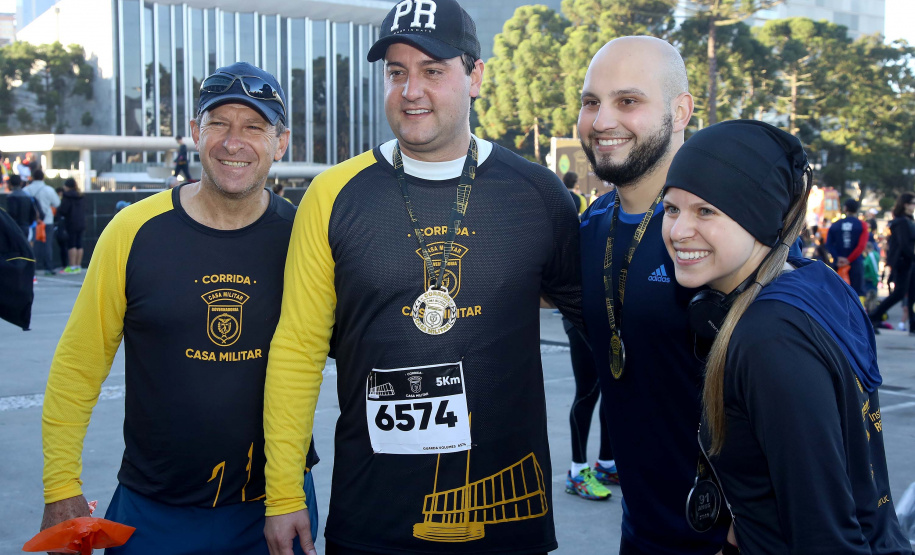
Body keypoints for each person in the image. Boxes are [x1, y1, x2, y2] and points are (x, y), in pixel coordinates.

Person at [262, 1, 582, 553]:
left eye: (433, 70)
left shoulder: (539, 195)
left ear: (475, 75)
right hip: (372, 517)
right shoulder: (332, 195)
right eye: (396, 72)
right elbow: (296, 350)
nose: (411, 90)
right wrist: (284, 492)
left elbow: (601, 327)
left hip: (505, 526)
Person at [40, 61, 319, 554]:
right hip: (152, 511)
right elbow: (78, 366)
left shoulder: (304, 238)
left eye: (254, 127)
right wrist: (61, 484)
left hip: (273, 506)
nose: (234, 143)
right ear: (195, 132)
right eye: (218, 124)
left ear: (281, 142)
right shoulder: (132, 233)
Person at [661, 118, 912, 554]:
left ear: (758, 215)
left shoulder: (767, 340)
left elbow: (824, 537)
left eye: (706, 211)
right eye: (671, 208)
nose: (679, 230)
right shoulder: (816, 281)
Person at [577, 36, 731, 553]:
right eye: (591, 102)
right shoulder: (593, 224)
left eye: (628, 101)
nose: (601, 122)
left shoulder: (726, 231)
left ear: (681, 110)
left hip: (727, 537)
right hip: (640, 529)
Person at [869, 193, 915, 336]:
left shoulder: (907, 220)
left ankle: (912, 324)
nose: (914, 206)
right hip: (903, 262)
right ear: (906, 204)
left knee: (911, 293)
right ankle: (873, 317)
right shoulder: (901, 222)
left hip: (908, 261)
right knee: (900, 293)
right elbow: (904, 245)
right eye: (913, 203)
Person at [826, 198, 869, 298]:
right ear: (857, 209)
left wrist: (837, 257)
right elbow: (861, 246)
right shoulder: (862, 225)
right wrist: (849, 259)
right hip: (855, 263)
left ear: (845, 208)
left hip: (838, 264)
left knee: (836, 291)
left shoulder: (835, 225)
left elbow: (829, 244)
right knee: (857, 292)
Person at [24, 168, 60, 276]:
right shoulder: (48, 189)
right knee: (47, 245)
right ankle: (48, 267)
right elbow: (57, 203)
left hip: (32, 222)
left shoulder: (27, 190)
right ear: (43, 177)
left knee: (31, 244)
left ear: (33, 177)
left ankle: (31, 268)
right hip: (47, 221)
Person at [57, 178, 87, 274]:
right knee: (79, 244)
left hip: (71, 223)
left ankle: (72, 266)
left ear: (67, 186)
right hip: (81, 222)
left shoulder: (67, 196)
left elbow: (63, 210)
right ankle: (78, 266)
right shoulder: (80, 195)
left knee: (72, 244)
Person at [5, 175, 37, 239]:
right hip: (25, 227)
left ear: (10, 183)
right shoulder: (27, 197)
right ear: (21, 183)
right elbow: (33, 213)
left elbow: (11, 214)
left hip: (13, 228)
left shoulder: (10, 197)